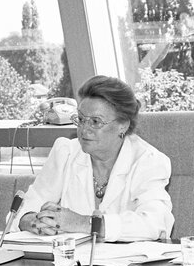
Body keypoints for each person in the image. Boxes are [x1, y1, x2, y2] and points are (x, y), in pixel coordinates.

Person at [13, 75, 174, 242]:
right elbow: (25, 208)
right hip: (71, 263)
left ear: (123, 125)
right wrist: (33, 221)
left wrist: (83, 223)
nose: (84, 130)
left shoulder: (148, 161)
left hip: (128, 265)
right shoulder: (66, 152)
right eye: (81, 119)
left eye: (96, 122)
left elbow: (155, 223)